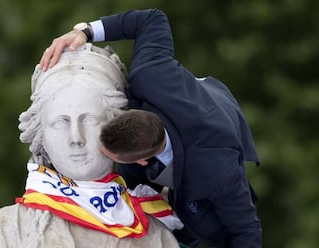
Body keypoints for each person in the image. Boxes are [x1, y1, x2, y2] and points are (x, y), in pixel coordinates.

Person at [39, 9, 262, 248]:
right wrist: (85, 31)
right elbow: (153, 18)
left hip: (217, 134)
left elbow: (246, 231)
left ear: (143, 161)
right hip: (187, 101)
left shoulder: (217, 171)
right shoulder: (150, 75)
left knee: (203, 227)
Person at [0, 44, 180, 248]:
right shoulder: (1, 233)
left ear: (116, 126)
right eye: (60, 122)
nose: (76, 137)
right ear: (40, 135)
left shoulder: (156, 236)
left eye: (89, 120)